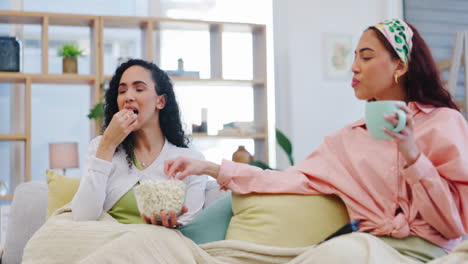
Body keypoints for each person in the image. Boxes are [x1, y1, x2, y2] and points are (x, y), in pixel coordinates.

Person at [164, 19, 468, 262]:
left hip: (428, 252)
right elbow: (284, 180)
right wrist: (209, 168)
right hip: (369, 246)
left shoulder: (444, 123)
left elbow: (454, 225)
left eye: (366, 56)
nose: (354, 67)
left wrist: (412, 154)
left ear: (400, 65)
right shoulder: (345, 142)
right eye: (354, 57)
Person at [72, 59, 207, 228]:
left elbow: (190, 227)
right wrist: (107, 144)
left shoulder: (190, 160)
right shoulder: (101, 147)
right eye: (122, 91)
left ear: (161, 101)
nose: (128, 97)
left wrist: (172, 227)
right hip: (109, 246)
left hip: (160, 248)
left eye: (139, 89)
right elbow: (83, 216)